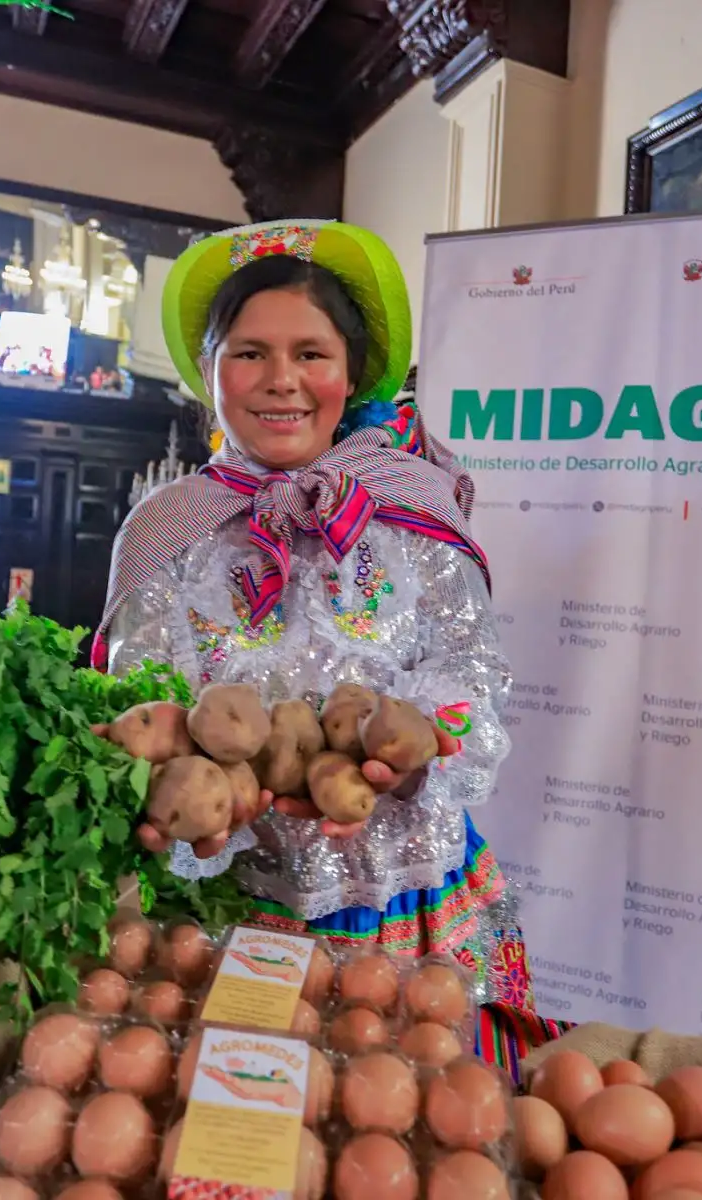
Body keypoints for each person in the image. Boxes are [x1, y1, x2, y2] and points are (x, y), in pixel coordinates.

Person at [92, 220, 565, 1079]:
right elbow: (140, 695)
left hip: (405, 892)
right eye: (249, 354)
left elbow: (473, 675)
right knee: (253, 1125)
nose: (283, 382)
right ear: (209, 375)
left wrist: (427, 748)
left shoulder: (415, 514)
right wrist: (186, 790)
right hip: (234, 900)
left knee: (420, 1118)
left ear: (351, 376)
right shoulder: (168, 532)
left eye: (311, 353)